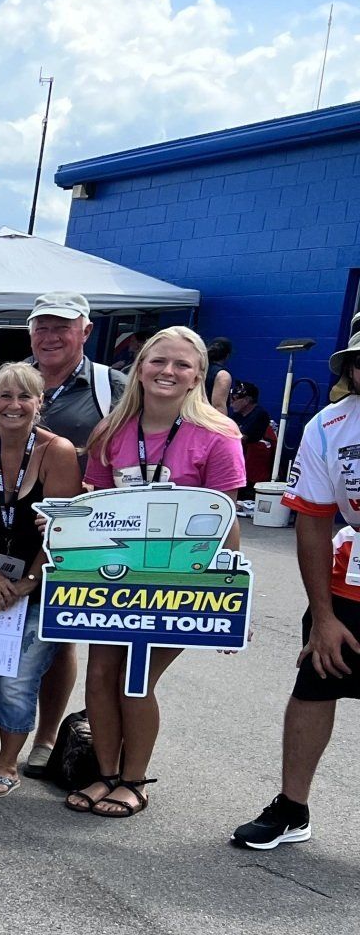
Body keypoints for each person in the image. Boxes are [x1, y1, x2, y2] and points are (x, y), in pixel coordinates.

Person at [66, 326, 246, 817]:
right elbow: (95, 505)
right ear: (140, 368)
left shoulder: (219, 436)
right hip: (115, 576)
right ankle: (106, 774)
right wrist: (67, 519)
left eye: (182, 364)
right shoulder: (111, 431)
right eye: (158, 361)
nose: (168, 371)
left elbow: (225, 521)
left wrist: (232, 595)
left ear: (198, 376)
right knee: (101, 675)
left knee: (136, 677)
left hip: (181, 582)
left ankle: (135, 780)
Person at [0, 291, 126, 772]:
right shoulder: (12, 383)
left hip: (63, 551)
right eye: (41, 327)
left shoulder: (111, 386)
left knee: (44, 653)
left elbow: (134, 448)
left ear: (85, 331)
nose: (50, 337)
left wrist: (99, 500)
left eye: (61, 327)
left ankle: (42, 741)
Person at [233, 314, 360, 849]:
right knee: (314, 685)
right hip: (350, 583)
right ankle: (292, 807)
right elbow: (312, 521)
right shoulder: (329, 426)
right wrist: (323, 616)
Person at [0, 364, 81, 798]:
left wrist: (29, 581)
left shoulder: (57, 451)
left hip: (39, 587)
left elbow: (63, 529)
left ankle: (8, 763)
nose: (14, 405)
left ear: (39, 404)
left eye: (25, 397)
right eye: (5, 396)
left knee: (18, 679)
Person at [206, 337, 233, 412]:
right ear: (227, 356)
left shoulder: (198, 369)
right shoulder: (223, 375)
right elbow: (219, 407)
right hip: (207, 417)